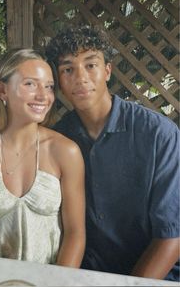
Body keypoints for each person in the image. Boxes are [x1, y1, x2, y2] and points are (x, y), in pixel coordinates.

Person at [45, 24, 180, 281]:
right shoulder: (57, 139)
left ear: (108, 70)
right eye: (68, 69)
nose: (81, 77)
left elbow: (172, 236)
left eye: (91, 65)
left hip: (155, 278)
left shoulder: (159, 134)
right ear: (59, 82)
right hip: (86, 276)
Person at [0, 48, 85, 267]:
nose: (43, 96)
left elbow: (75, 234)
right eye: (30, 84)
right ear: (3, 91)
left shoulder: (66, 152)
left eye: (49, 86)